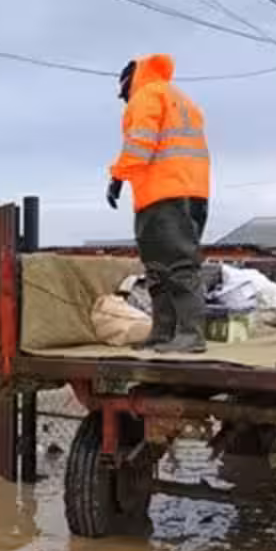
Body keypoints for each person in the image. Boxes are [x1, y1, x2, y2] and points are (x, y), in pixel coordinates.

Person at [107, 54, 211, 353]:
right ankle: (163, 333)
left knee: (175, 265)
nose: (125, 100)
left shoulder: (147, 96)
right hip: (191, 193)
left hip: (163, 195)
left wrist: (117, 176)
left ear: (130, 81)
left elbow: (140, 145)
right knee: (160, 267)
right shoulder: (180, 99)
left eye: (123, 93)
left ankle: (190, 335)